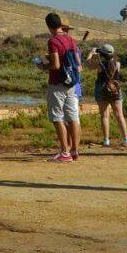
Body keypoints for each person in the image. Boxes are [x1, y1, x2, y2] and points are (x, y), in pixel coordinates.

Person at [40, 13, 82, 162]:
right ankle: (75, 151)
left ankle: (64, 152)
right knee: (73, 117)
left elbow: (56, 65)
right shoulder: (71, 39)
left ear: (48, 26)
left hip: (57, 83)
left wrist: (44, 65)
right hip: (71, 83)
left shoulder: (53, 41)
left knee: (57, 117)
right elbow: (78, 64)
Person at [91, 44, 127, 148]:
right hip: (115, 88)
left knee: (104, 115)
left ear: (102, 53)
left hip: (102, 88)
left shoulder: (99, 65)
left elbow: (87, 65)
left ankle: (106, 140)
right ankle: (125, 139)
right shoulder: (117, 64)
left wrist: (92, 54)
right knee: (119, 115)